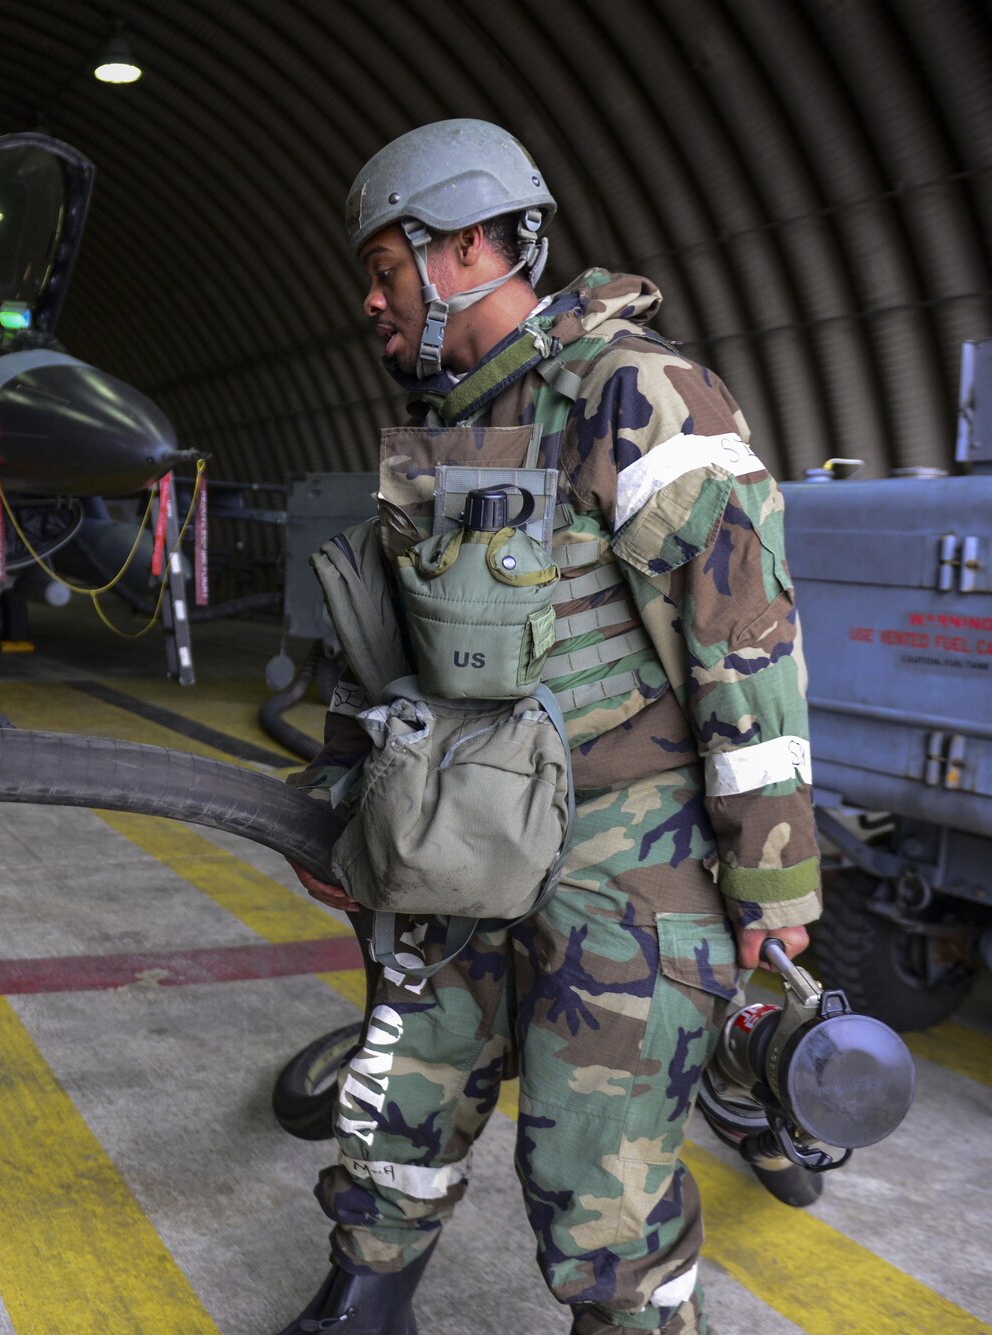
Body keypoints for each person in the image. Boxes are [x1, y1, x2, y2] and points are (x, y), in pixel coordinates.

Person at [280, 119, 821, 1335]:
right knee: (403, 1089)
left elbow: (743, 639)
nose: (368, 302)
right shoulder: (446, 417)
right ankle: (367, 1292)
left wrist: (771, 875)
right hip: (453, 836)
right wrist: (345, 804)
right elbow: (390, 646)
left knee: (599, 1181)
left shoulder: (634, 394)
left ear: (465, 245)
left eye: (382, 269)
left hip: (621, 859)